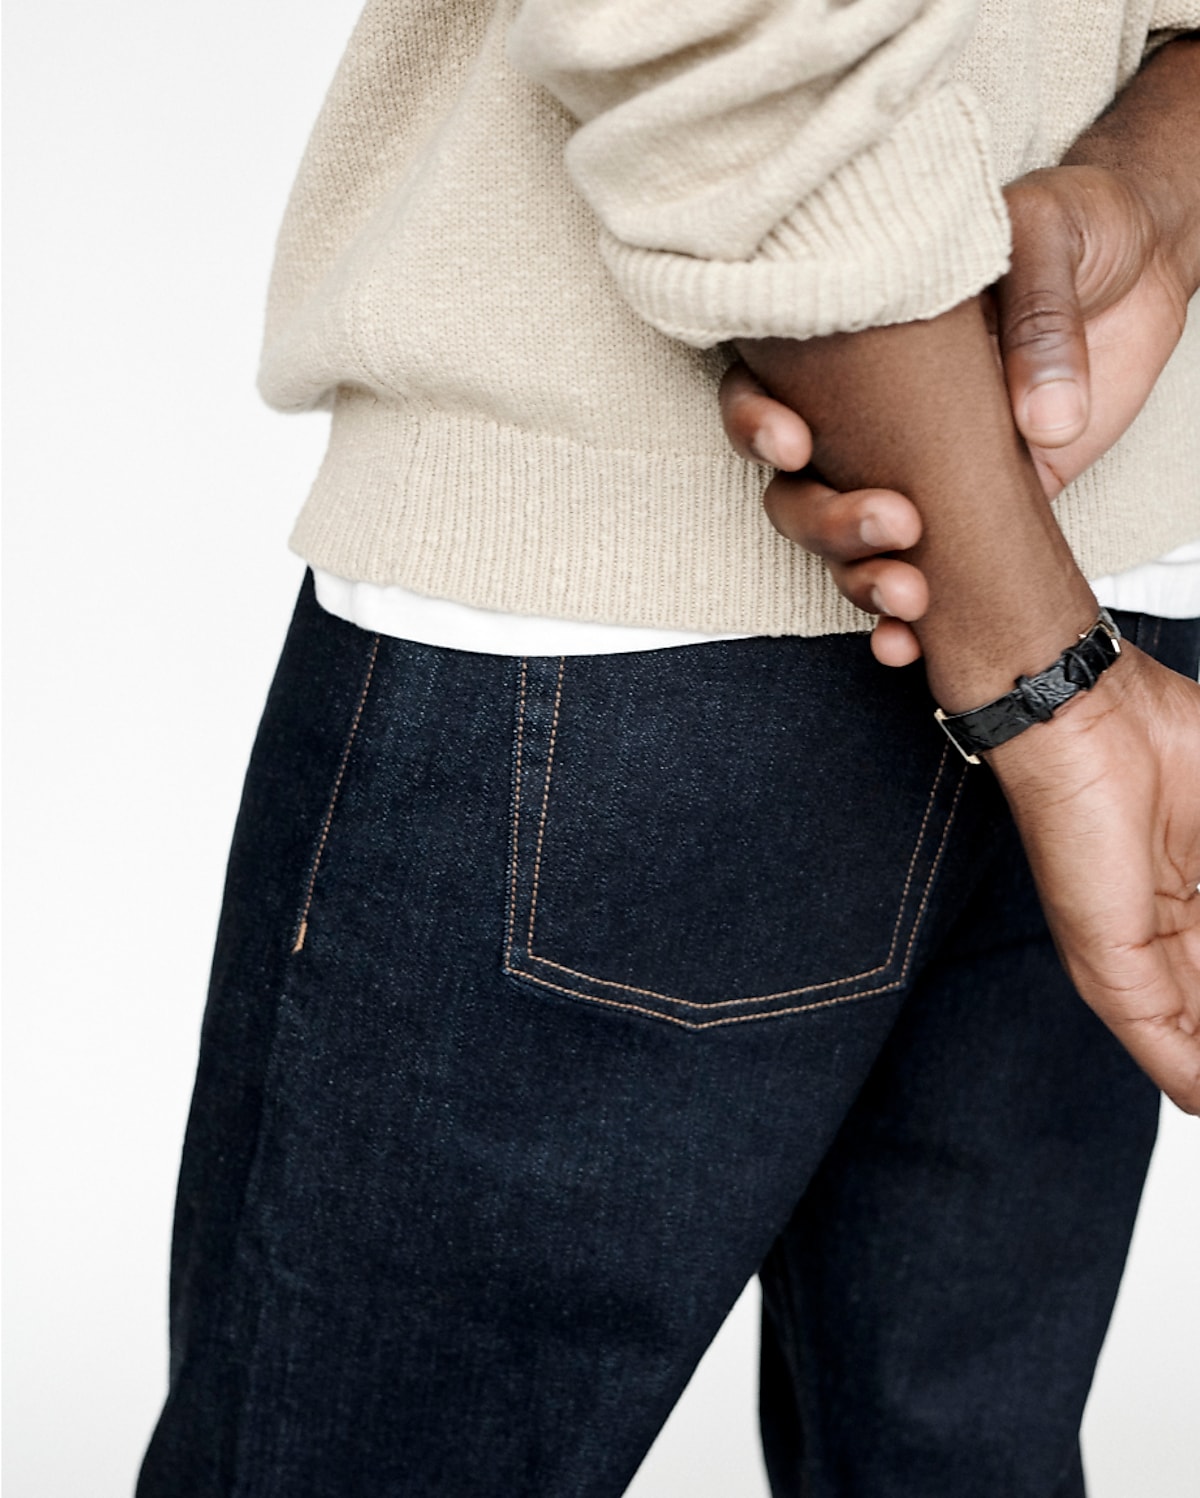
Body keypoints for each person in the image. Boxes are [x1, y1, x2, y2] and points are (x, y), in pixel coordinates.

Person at [138, 4, 1199, 1494]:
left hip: (639, 640)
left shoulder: (1075, 702)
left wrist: (1057, 684)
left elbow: (700, 31)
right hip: (1130, 594)